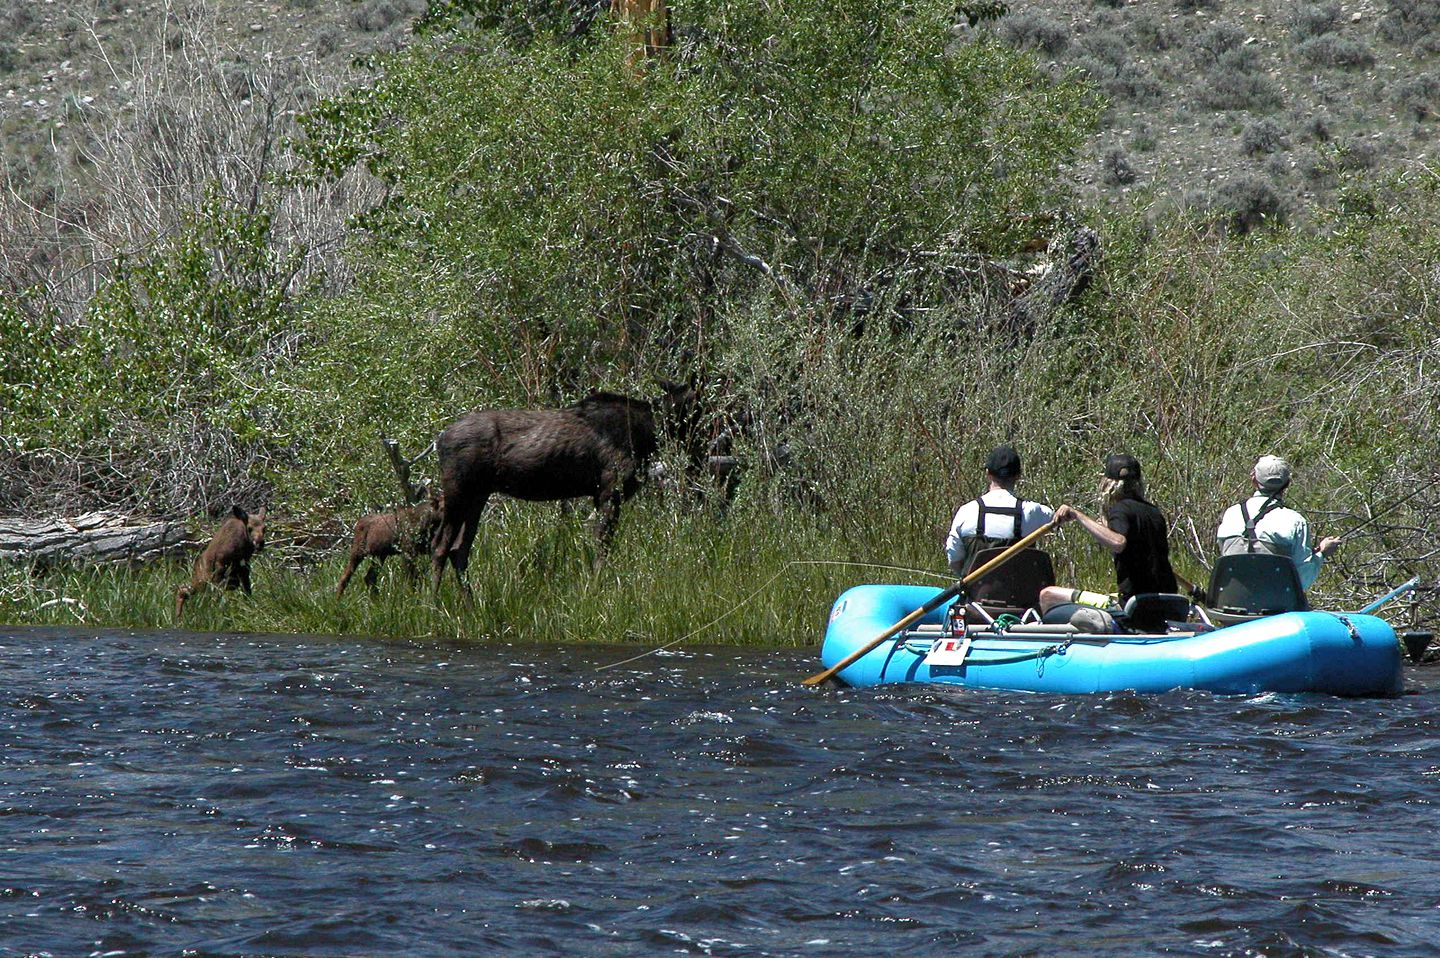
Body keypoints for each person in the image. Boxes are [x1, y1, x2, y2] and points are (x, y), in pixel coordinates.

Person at [1039, 453, 1178, 624]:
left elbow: (1118, 542)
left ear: (1108, 484)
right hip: (1167, 603)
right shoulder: (1154, 512)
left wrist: (1077, 515)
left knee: (1048, 595)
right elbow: (1134, 545)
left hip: (1135, 608)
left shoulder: (1120, 509)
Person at [1215, 455, 1339, 591]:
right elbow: (1302, 581)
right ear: (1287, 484)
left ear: (1253, 480)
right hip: (1276, 608)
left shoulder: (1231, 513)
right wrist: (1322, 553)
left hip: (1228, 606)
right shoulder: (1295, 521)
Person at [943, 444, 1054, 576]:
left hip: (976, 595)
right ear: (1018, 475)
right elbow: (1058, 518)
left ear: (988, 474)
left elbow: (954, 560)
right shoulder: (1032, 511)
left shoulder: (966, 511)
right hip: (1020, 595)